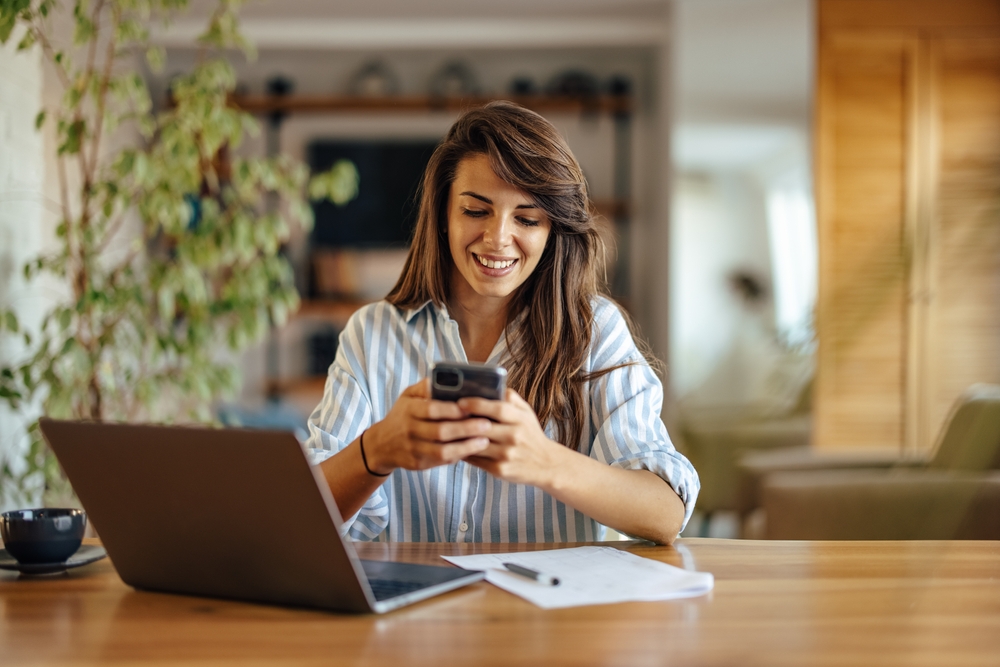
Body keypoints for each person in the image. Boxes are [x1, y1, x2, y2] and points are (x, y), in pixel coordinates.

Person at [307, 101, 699, 544]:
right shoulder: (372, 334)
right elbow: (303, 516)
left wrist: (544, 461)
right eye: (476, 211)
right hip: (414, 611)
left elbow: (667, 513)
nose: (497, 238)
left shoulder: (595, 332)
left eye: (527, 219)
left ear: (553, 229)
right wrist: (375, 451)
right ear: (442, 216)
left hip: (546, 610)